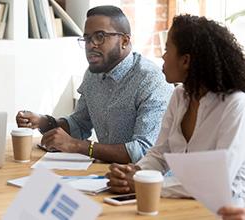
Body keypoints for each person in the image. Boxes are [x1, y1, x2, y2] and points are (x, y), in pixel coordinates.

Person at [106, 14, 245, 202]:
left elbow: (218, 181)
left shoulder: (235, 105)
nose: (163, 56)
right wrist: (133, 173)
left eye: (167, 49)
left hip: (225, 208)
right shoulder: (180, 95)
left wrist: (145, 184)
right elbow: (160, 154)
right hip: (179, 202)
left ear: (185, 60)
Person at [16, 6, 173, 163]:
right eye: (87, 39)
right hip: (106, 174)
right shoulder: (93, 75)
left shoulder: (151, 80)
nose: (90, 45)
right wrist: (44, 122)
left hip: (145, 182)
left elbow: (143, 151)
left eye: (100, 36)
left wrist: (77, 145)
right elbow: (79, 124)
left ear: (124, 41)